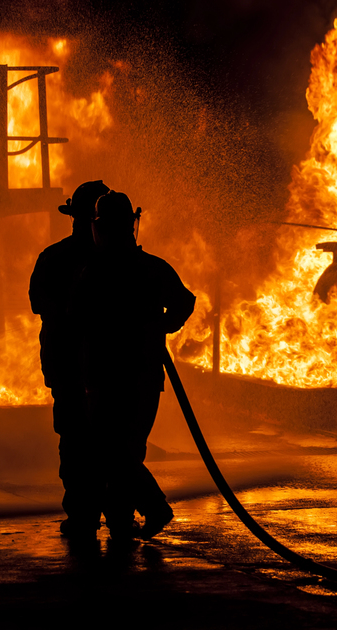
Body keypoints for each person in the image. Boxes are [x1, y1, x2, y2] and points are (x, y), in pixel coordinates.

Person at [72, 191, 196, 541]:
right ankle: (123, 521)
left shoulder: (94, 273)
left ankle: (152, 507)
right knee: (126, 449)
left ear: (99, 228)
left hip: (106, 376)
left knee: (110, 450)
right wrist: (164, 326)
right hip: (143, 376)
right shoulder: (152, 268)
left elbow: (75, 318)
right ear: (132, 225)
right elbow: (184, 302)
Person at [29, 180, 112, 537]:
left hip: (71, 364)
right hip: (102, 365)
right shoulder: (116, 261)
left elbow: (37, 303)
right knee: (109, 440)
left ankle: (84, 513)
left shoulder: (54, 257)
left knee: (77, 440)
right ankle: (112, 513)